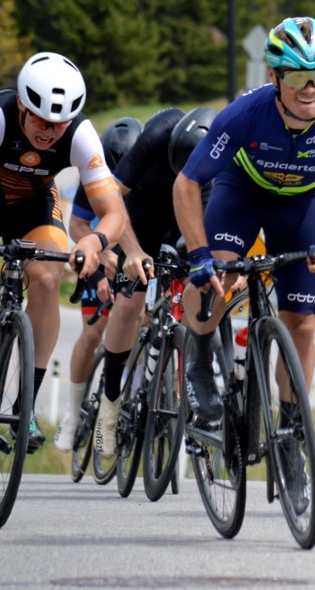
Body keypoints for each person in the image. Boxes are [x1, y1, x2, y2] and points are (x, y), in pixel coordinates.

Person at [172, 16, 315, 508]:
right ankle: (200, 364)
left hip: (303, 207)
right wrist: (199, 254)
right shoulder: (244, 115)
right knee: (217, 280)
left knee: (302, 323)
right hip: (241, 196)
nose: (310, 89)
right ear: (275, 78)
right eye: (296, 77)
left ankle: (292, 438)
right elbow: (185, 184)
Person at [0, 51, 128, 451]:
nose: (49, 132)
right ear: (22, 104)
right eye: (40, 120)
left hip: (33, 206)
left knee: (48, 279)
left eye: (59, 123)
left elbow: (114, 212)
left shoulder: (81, 134)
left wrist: (94, 240)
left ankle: (25, 406)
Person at [63, 106, 218, 457]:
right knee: (130, 302)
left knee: (202, 282)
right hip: (143, 207)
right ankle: (111, 401)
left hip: (189, 205)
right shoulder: (156, 135)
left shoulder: (220, 145)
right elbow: (113, 202)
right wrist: (131, 252)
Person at [54, 117, 143, 452]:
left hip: (132, 253)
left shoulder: (147, 172)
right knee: (93, 332)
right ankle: (72, 414)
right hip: (99, 252)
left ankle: (127, 402)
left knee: (139, 321)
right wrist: (101, 253)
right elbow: (76, 224)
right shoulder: (95, 176)